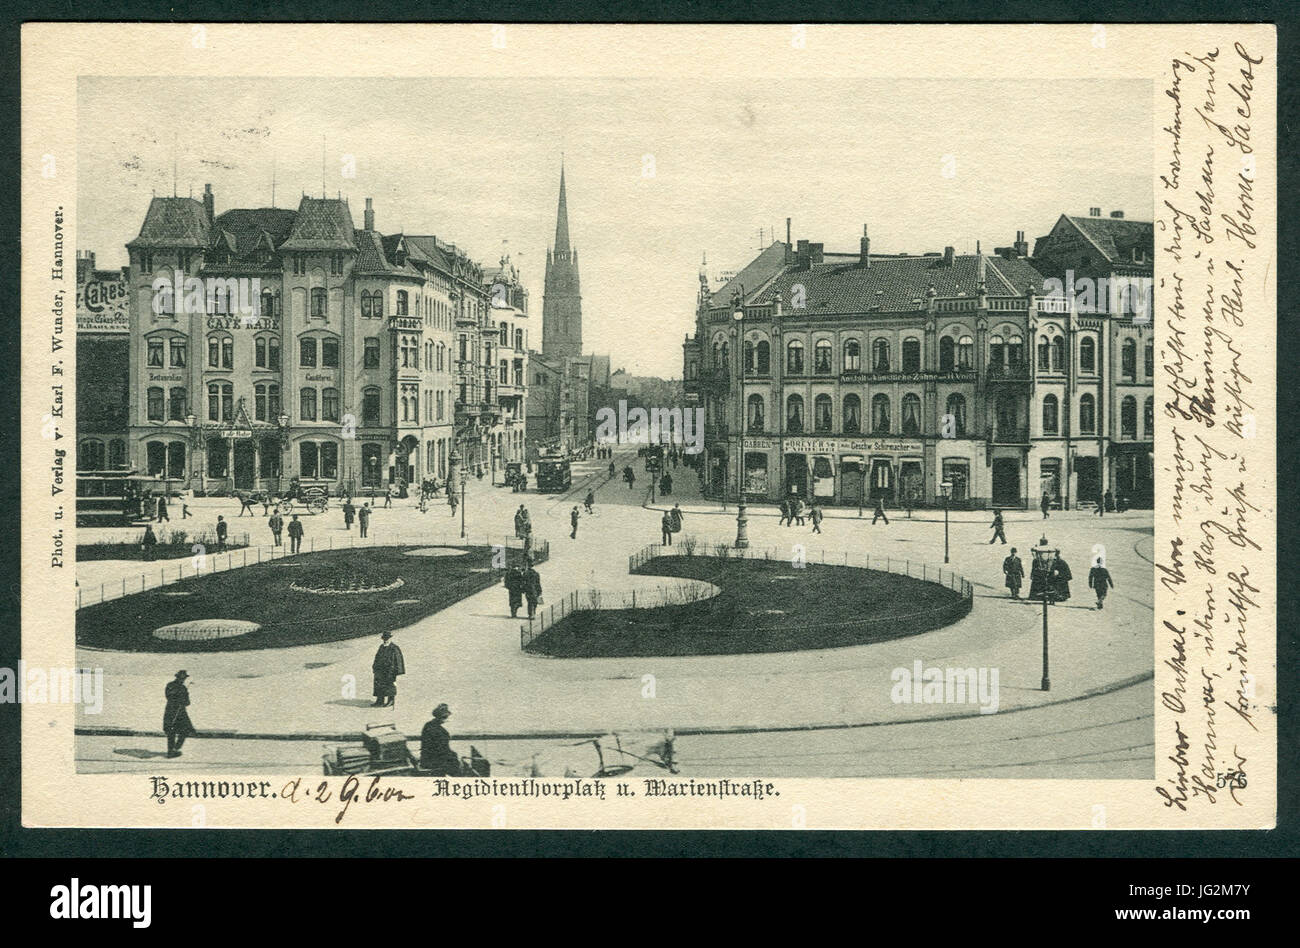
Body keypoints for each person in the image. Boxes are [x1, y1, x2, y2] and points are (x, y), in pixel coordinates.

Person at [419, 704, 461, 776]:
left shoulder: (429, 725)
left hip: (427, 758)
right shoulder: (437, 729)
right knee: (457, 768)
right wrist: (452, 755)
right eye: (445, 717)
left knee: (455, 760)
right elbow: (440, 749)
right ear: (441, 717)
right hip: (433, 761)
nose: (446, 719)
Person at [163, 670, 196, 759]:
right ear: (177, 677)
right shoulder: (170, 685)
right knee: (171, 731)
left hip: (181, 712)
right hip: (171, 711)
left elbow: (187, 702)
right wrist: (178, 698)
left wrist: (184, 699)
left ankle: (176, 748)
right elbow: (168, 696)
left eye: (184, 678)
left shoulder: (184, 688)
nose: (183, 679)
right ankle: (170, 752)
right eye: (181, 678)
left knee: (186, 730)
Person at [370, 631, 405, 708]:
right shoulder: (381, 647)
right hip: (380, 670)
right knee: (379, 684)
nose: (386, 640)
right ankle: (380, 700)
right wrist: (375, 667)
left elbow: (398, 660)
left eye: (387, 638)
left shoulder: (394, 648)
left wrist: (396, 671)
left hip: (390, 670)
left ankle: (391, 700)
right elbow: (377, 658)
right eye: (384, 638)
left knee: (390, 685)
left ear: (390, 638)